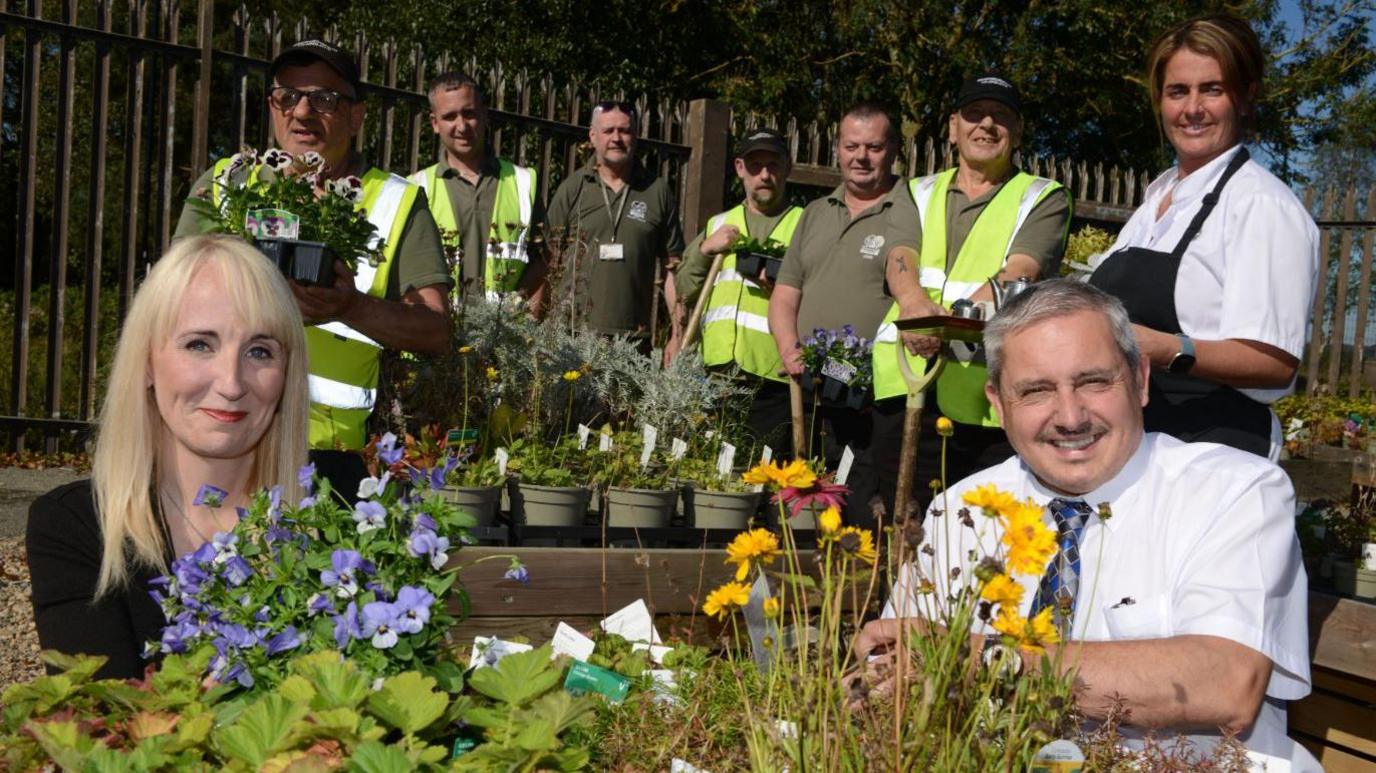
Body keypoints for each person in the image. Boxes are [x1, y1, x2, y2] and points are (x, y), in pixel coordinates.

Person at [856, 280, 1314, 769]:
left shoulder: (1234, 491)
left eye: (1094, 382)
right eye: (1036, 391)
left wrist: (975, 659)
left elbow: (1224, 683)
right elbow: (896, 665)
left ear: (1140, 380)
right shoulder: (963, 509)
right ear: (997, 402)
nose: (1071, 417)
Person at [174, 39, 452, 499]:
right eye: (288, 96)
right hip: (216, 439)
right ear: (272, 106)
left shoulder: (397, 200)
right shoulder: (227, 183)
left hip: (329, 460)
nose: (301, 112)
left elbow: (436, 330)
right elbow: (167, 299)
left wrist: (349, 306)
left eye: (324, 99)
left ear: (356, 116)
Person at [27, 235, 310, 681]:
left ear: (287, 372)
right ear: (145, 362)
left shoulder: (340, 502)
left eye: (260, 350)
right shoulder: (79, 528)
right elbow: (100, 733)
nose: (232, 383)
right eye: (200, 344)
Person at [1089, 15, 1319, 460]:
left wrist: (1163, 348)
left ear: (1245, 96)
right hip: (1138, 446)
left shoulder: (1260, 204)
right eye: (1178, 91)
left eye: (1211, 89)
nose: (1193, 108)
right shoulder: (1159, 197)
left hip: (1212, 452)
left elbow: (1274, 364)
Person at [873, 74, 1071, 512]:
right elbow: (899, 255)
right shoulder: (914, 190)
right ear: (952, 127)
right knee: (896, 530)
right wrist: (915, 308)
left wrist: (940, 327)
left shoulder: (1042, 198)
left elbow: (1020, 271)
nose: (987, 124)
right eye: (974, 115)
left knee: (973, 536)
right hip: (904, 383)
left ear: (1017, 133)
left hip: (983, 397)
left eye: (1001, 116)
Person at [769, 103, 920, 526]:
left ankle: (860, 587)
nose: (862, 157)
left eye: (874, 146)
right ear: (837, 148)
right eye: (852, 145)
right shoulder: (816, 212)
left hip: (872, 401)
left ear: (893, 150)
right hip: (809, 391)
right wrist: (788, 348)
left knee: (860, 509)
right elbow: (785, 292)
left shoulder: (907, 210)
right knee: (805, 509)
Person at [672, 128, 803, 450]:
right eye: (756, 165)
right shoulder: (719, 224)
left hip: (773, 376)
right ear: (740, 168)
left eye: (773, 165)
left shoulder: (805, 225)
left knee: (762, 474)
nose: (765, 175)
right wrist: (705, 250)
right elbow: (684, 291)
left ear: (787, 167)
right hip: (715, 373)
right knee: (712, 469)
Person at [544, 101, 685, 344]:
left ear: (636, 135)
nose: (616, 138)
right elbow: (546, 261)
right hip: (572, 336)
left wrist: (678, 333)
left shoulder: (657, 191)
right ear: (593, 135)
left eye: (625, 130)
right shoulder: (573, 188)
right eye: (608, 131)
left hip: (633, 340)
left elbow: (672, 269)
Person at [408, 71, 547, 305]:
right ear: (434, 123)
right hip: (436, 332)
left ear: (484, 115)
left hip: (504, 334)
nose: (461, 126)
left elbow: (542, 263)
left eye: (469, 113)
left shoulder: (523, 182)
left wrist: (526, 322)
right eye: (450, 117)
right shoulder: (414, 188)